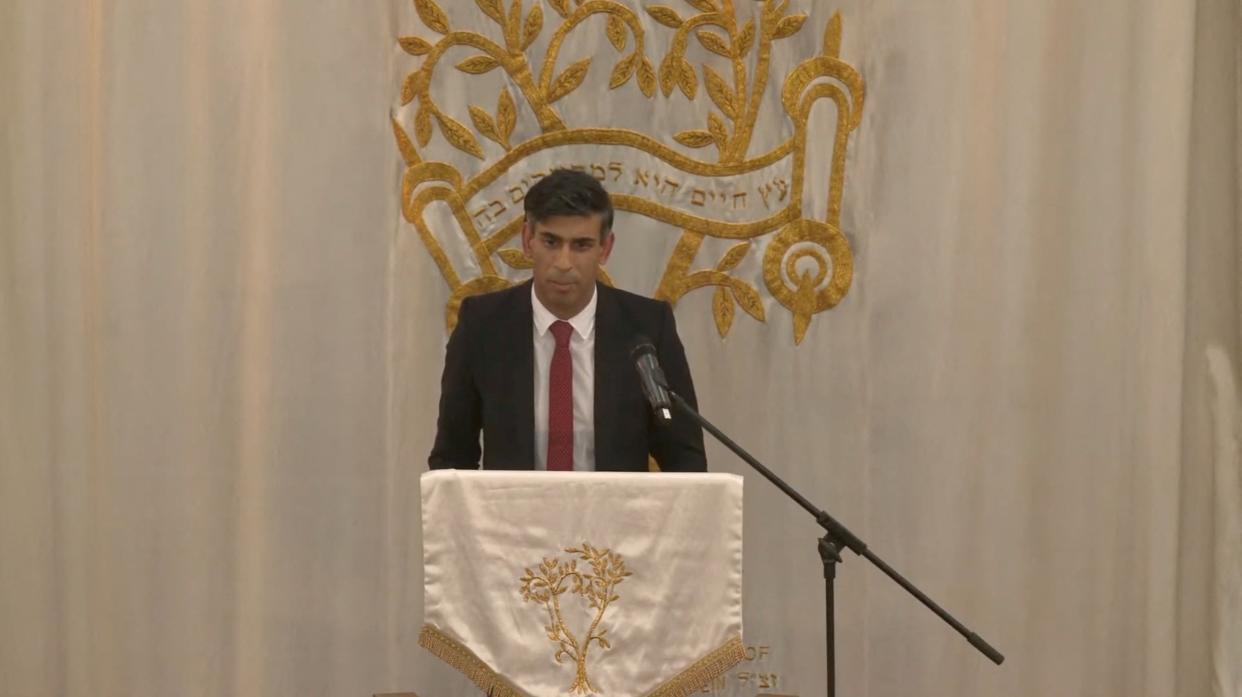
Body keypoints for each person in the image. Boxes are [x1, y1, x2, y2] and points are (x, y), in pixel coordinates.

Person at [428, 169, 707, 472]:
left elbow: (684, 459)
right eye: (551, 242)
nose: (563, 263)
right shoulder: (482, 327)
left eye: (581, 245)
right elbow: (452, 458)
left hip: (616, 518)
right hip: (511, 518)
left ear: (605, 248)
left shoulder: (647, 329)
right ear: (527, 240)